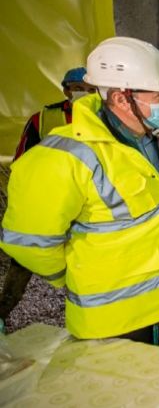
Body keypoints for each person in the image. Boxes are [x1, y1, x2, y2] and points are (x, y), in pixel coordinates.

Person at [0, 37, 159, 348]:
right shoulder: (64, 156)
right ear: (121, 99)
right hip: (114, 325)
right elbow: (28, 242)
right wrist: (80, 274)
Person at [1, 67, 98, 322]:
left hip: (88, 206)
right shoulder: (42, 119)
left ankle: (85, 320)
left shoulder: (104, 119)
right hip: (48, 205)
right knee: (23, 263)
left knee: (88, 267)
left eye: (89, 89)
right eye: (78, 89)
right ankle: (3, 311)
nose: (84, 94)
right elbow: (22, 162)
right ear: (66, 90)